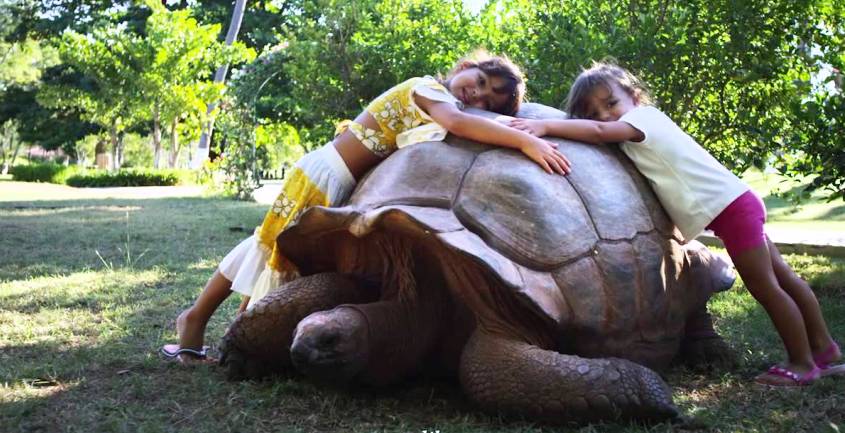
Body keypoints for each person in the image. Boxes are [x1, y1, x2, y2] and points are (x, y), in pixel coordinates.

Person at [161, 50, 572, 364]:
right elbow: (461, 123)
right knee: (274, 253)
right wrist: (525, 139)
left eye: (487, 100)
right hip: (324, 175)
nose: (477, 94)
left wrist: (525, 126)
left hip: (335, 176)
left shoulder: (442, 103)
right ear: (464, 64)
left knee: (267, 247)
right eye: (479, 80)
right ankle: (210, 325)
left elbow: (467, 120)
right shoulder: (426, 89)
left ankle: (212, 322)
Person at [508, 60, 841, 387]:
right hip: (737, 204)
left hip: (733, 211)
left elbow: (598, 133)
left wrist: (545, 127)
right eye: (593, 111)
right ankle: (825, 348)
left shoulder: (644, 119)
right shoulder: (637, 133)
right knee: (785, 278)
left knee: (766, 286)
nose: (605, 115)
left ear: (635, 97)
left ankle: (802, 363)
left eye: (611, 103)